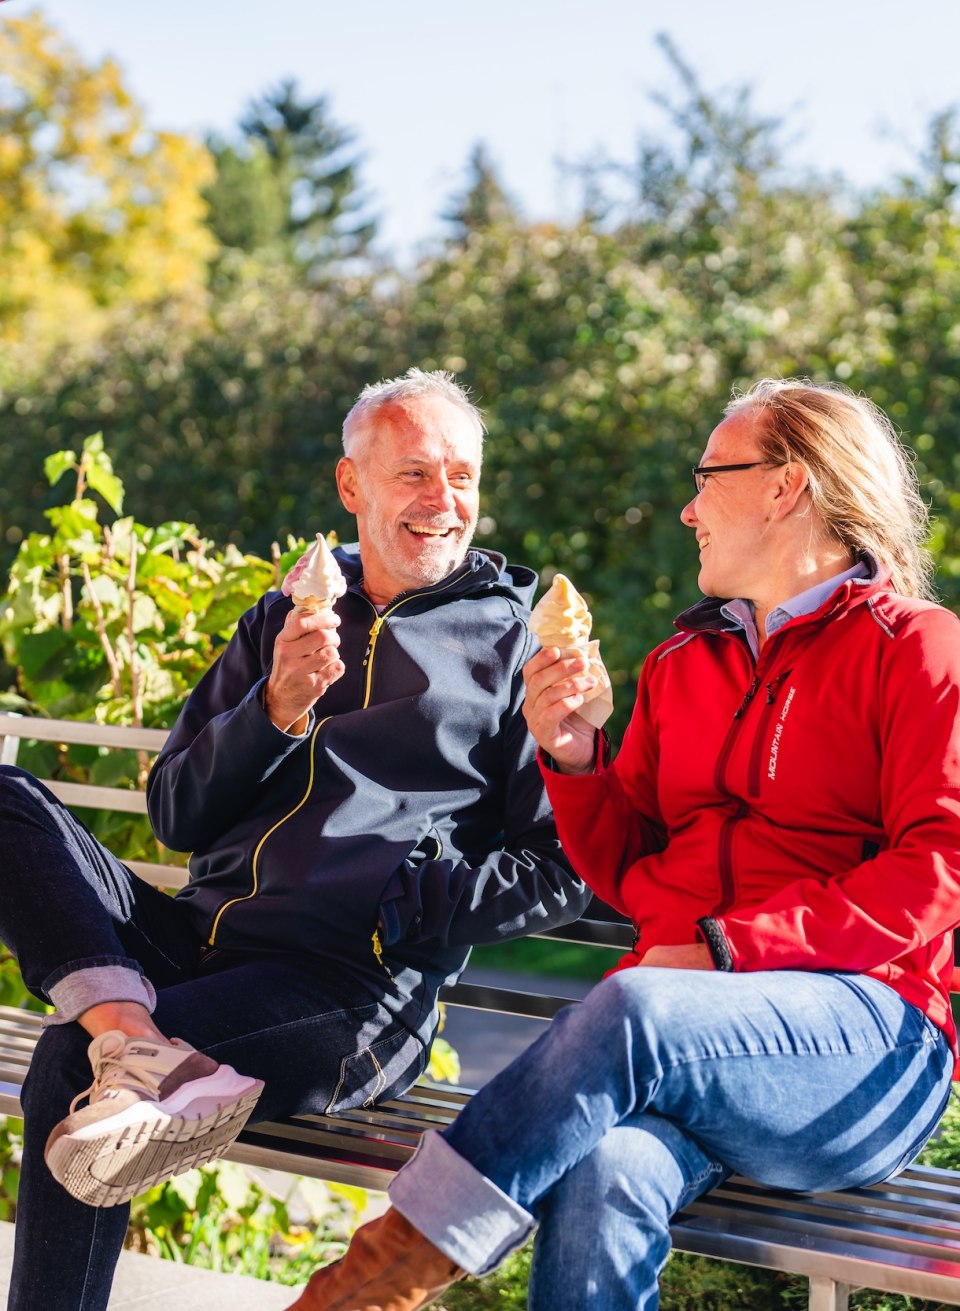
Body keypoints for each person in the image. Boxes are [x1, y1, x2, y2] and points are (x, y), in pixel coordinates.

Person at [288, 377, 960, 1311]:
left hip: (863, 1042)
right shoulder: (684, 664)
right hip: (687, 1043)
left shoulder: (918, 647)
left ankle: (370, 1282)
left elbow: (940, 868)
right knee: (605, 1167)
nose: (688, 508)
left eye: (706, 477)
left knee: (634, 1000)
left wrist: (730, 948)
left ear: (785, 486)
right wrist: (574, 757)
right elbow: (626, 864)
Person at [0, 367, 591, 1311]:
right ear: (352, 484)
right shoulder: (284, 617)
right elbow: (175, 813)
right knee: (7, 798)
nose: (443, 500)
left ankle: (122, 1040)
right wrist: (273, 709)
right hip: (196, 942)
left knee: (72, 1060)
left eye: (462, 476)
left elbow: (564, 865)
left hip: (348, 989)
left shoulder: (519, 647)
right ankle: (133, 1033)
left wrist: (404, 904)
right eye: (414, 473)